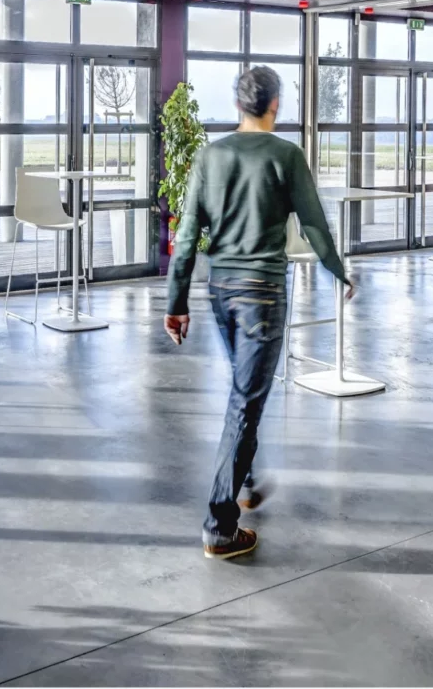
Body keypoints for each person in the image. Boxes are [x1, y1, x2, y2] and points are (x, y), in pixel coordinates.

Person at [165, 65, 354, 560]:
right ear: (274, 104)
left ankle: (246, 479)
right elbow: (314, 224)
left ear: (237, 105)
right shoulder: (285, 155)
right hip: (262, 294)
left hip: (220, 290)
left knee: (243, 392)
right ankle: (220, 527)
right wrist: (338, 271)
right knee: (244, 402)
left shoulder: (210, 155)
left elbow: (187, 234)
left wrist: (176, 303)